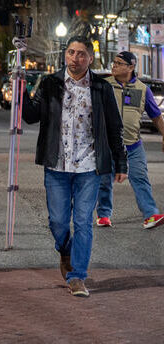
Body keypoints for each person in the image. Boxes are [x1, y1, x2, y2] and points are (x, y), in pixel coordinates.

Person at [22, 36, 127, 298]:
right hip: (56, 165)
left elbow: (115, 128)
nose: (75, 58)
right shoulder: (50, 83)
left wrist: (121, 162)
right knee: (58, 222)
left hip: (89, 167)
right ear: (65, 55)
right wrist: (21, 89)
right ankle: (65, 249)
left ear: (90, 58)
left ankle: (78, 276)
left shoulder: (102, 89)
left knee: (83, 222)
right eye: (71, 52)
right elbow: (31, 116)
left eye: (81, 54)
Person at [96, 51, 164, 229]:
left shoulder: (143, 90)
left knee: (140, 178)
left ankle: (151, 214)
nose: (114, 66)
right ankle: (103, 214)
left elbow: (156, 116)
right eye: (114, 62)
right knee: (104, 180)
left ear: (131, 67)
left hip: (133, 145)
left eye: (119, 63)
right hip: (108, 145)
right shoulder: (104, 86)